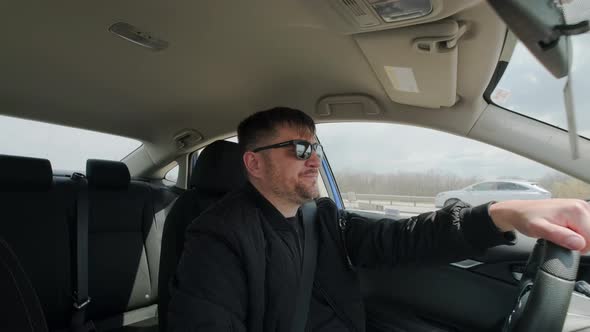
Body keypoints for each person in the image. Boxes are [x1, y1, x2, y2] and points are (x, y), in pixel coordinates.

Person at [167, 107, 590, 331]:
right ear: (254, 164)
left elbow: (403, 238)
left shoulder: (321, 217)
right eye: (299, 150)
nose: (314, 159)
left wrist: (501, 214)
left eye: (316, 148)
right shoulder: (216, 238)